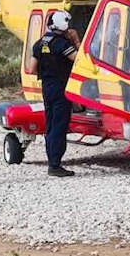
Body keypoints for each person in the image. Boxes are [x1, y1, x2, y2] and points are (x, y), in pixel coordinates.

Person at [29, 10, 80, 177]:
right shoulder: (61, 44)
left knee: (50, 124)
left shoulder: (39, 43)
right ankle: (55, 165)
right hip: (60, 88)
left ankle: (52, 160)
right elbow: (79, 61)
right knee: (59, 124)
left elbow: (31, 69)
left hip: (47, 87)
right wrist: (76, 41)